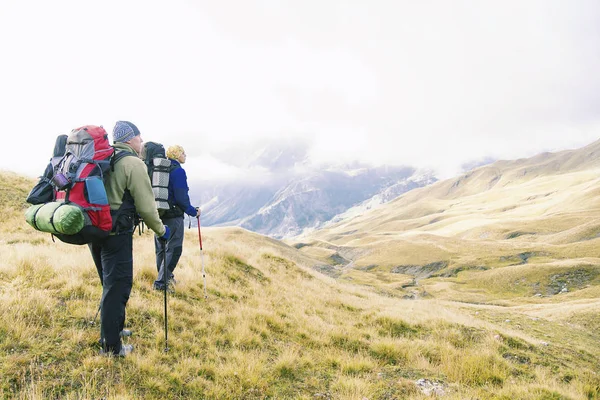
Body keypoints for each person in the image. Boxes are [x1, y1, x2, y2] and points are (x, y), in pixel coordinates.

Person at [89, 120, 170, 357]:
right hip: (116, 235)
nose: (142, 142)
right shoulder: (132, 163)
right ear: (129, 139)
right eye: (139, 138)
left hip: (94, 232)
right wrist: (161, 230)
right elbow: (146, 206)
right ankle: (111, 348)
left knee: (109, 285)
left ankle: (114, 330)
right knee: (118, 288)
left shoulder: (105, 158)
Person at [153, 145, 198, 291]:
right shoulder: (178, 171)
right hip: (174, 216)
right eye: (183, 152)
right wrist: (192, 211)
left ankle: (166, 277)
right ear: (176, 154)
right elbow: (181, 197)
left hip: (159, 213)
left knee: (161, 248)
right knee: (174, 249)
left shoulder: (161, 170)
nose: (185, 155)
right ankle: (161, 283)